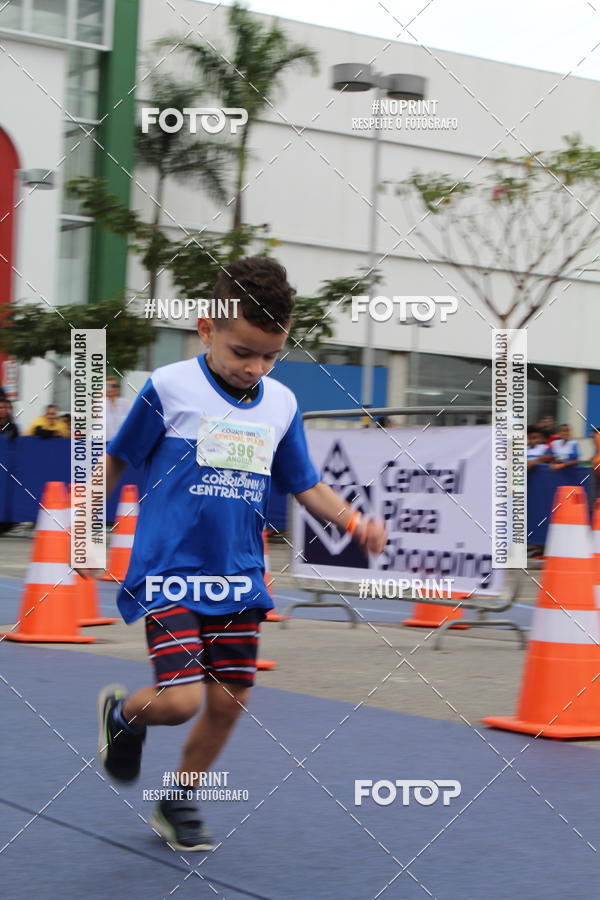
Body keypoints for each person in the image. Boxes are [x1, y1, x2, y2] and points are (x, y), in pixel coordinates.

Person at [93, 257, 387, 851]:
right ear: (206, 329)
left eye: (269, 356)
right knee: (178, 701)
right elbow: (116, 461)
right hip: (169, 569)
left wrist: (354, 522)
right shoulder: (170, 387)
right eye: (241, 352)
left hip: (237, 577)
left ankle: (179, 798)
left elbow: (305, 484)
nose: (254, 368)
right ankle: (124, 717)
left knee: (230, 701)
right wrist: (85, 528)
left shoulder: (279, 405)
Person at [106, 375, 131, 441]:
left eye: (114, 386)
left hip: (121, 443)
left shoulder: (125, 403)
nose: (111, 389)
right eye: (108, 386)